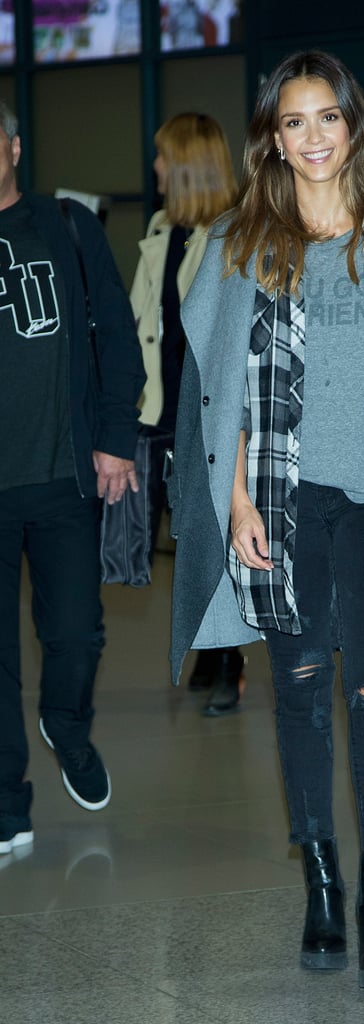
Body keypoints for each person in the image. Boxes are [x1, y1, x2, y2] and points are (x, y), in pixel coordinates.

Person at [168, 50, 364, 987]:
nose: (311, 139)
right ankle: (319, 884)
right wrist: (232, 499)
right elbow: (216, 393)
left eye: (327, 119)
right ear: (272, 136)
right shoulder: (241, 242)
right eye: (292, 122)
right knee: (304, 689)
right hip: (280, 495)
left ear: (353, 125)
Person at [0, 101, 146, 854]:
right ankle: (5, 803)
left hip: (64, 475)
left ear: (14, 146)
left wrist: (117, 436)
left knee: (75, 637)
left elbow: (117, 331)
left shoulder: (65, 226)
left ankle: (68, 727)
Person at [130, 111, 245, 715]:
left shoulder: (232, 237)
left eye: (163, 158)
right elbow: (141, 323)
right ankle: (208, 650)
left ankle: (228, 660)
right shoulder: (158, 227)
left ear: (187, 166)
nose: (154, 169)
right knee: (180, 536)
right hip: (160, 408)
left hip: (209, 415)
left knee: (214, 541)